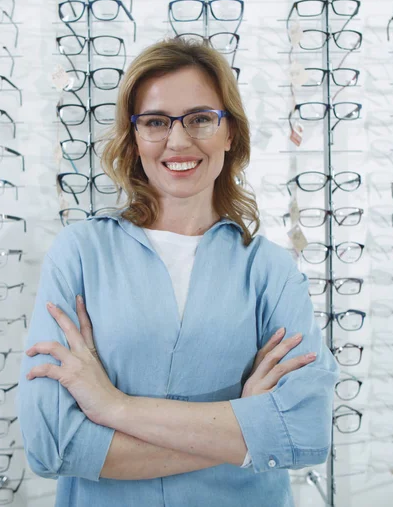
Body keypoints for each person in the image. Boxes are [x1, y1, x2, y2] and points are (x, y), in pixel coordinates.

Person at [17, 37, 339, 507]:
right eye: (155, 122)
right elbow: (53, 444)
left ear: (230, 133)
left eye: (201, 118)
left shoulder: (270, 269)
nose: (178, 140)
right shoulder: (80, 254)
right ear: (134, 138)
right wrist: (245, 423)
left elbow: (304, 429)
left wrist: (114, 407)